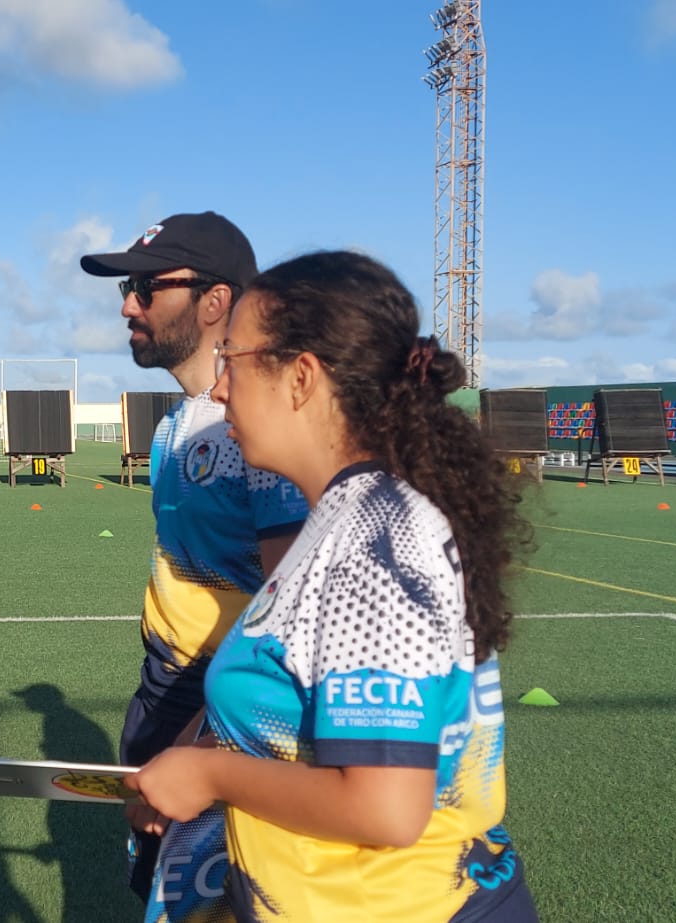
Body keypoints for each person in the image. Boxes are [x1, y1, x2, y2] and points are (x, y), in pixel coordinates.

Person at [124, 250, 536, 921]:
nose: (221, 387)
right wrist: (200, 754)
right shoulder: (341, 519)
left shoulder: (377, 539)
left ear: (301, 377)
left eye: (234, 358)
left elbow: (386, 804)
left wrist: (209, 774)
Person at [78, 212, 309, 901]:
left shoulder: (261, 427)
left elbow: (294, 603)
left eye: (147, 288)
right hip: (163, 692)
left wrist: (204, 737)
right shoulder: (175, 425)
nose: (127, 305)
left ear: (215, 302)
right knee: (157, 890)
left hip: (225, 708)